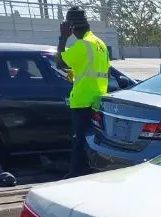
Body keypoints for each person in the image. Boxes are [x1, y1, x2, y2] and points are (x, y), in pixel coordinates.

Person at [56, 6, 109, 178]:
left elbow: (59, 62)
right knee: (92, 140)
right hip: (99, 99)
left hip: (83, 100)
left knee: (79, 140)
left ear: (71, 27)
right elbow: (101, 71)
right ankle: (89, 172)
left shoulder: (83, 44)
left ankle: (75, 175)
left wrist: (63, 38)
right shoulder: (100, 44)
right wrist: (77, 74)